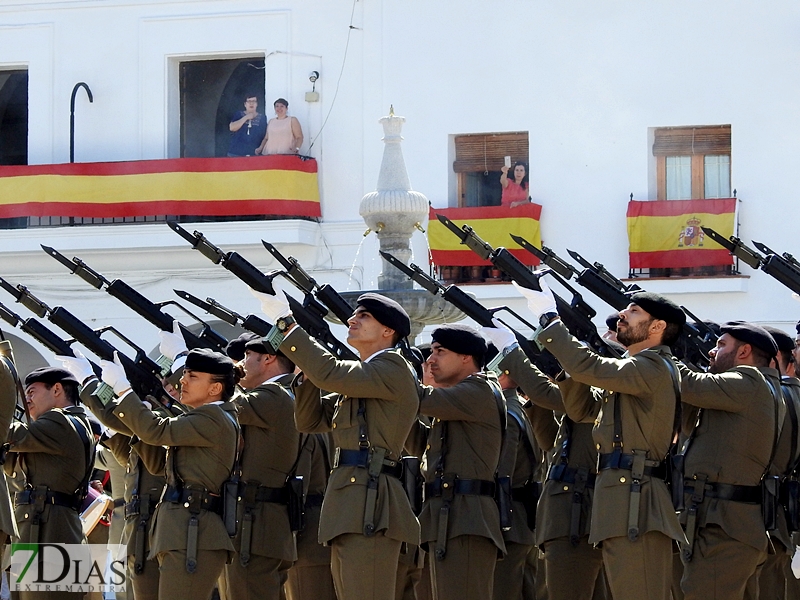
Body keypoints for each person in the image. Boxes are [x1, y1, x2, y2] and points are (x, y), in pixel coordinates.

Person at [501, 282, 687, 600]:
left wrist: (551, 320)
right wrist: (562, 364)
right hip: (620, 500)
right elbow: (582, 408)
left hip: (637, 503)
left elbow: (591, 366)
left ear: (657, 327)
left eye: (634, 311)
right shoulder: (633, 373)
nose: (622, 316)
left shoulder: (651, 368)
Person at [252, 289, 420, 600]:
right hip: (349, 502)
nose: (352, 319)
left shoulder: (392, 368)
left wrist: (287, 325)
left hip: (372, 502)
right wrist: (305, 377)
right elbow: (310, 421)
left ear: (388, 331)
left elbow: (329, 371)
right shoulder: (365, 377)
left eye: (364, 316)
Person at [98, 348, 240, 600]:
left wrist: (123, 390)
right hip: (180, 531)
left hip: (193, 533)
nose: (182, 381)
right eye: (185, 374)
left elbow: (156, 430)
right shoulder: (204, 417)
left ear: (215, 388)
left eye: (192, 376)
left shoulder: (214, 417)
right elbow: (157, 464)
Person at [481, 332, 605, 600]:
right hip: (563, 513)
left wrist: (514, 355)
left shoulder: (598, 396)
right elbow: (549, 440)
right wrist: (532, 396)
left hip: (578, 514)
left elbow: (550, 396)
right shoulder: (577, 400)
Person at [676, 322, 783, 600]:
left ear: (745, 351)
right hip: (728, 525)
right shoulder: (756, 387)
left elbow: (686, 383)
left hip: (725, 529)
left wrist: (659, 349)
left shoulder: (749, 381)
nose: (712, 351)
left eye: (721, 345)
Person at [416, 324, 506, 600]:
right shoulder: (454, 402)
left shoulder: (478, 390)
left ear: (466, 357)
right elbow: (418, 446)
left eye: (440, 352)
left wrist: (386, 369)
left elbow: (415, 398)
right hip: (445, 517)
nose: (430, 361)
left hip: (466, 519)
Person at [7, 367, 96, 600]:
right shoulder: (67, 426)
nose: (27, 400)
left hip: (47, 533)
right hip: (47, 528)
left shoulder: (60, 421)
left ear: (56, 389)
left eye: (32, 392)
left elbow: (9, 435)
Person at [223, 334, 300, 600]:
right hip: (262, 527)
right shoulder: (282, 395)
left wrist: (184, 370)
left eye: (246, 357)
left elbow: (216, 403)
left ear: (268, 358)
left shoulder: (274, 395)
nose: (242, 364)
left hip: (255, 529)